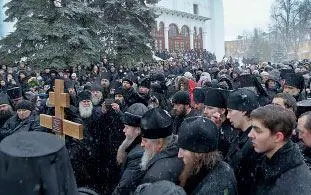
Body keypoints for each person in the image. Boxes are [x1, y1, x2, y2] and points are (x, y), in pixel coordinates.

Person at [249, 104, 311, 194]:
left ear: (278, 137)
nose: (250, 135)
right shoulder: (265, 160)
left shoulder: (296, 186)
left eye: (258, 130)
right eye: (251, 128)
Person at [177, 116, 237, 194]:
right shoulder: (212, 167)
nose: (179, 155)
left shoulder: (215, 188)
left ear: (199, 154)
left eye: (184, 149)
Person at [225, 88, 260, 195]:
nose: (227, 116)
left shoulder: (255, 142)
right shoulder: (241, 134)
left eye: (230, 111)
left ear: (244, 110)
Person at [139, 107, 183, 185]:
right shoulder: (180, 152)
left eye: (145, 140)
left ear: (159, 143)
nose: (142, 144)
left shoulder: (154, 178)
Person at [113, 103, 148, 194]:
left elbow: (124, 188)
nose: (123, 130)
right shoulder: (134, 145)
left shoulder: (138, 155)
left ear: (138, 130)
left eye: (127, 127)